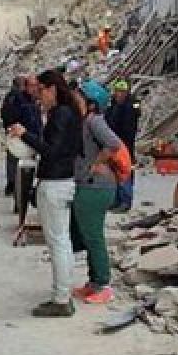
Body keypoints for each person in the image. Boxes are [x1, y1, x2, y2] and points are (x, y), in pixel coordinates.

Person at [8, 70, 82, 318]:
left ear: (52, 89)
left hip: (55, 182)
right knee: (62, 241)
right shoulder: (67, 113)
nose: (38, 96)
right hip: (62, 181)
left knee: (58, 242)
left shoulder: (61, 114)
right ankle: (63, 293)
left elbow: (51, 150)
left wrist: (24, 135)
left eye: (40, 90)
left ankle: (61, 298)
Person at [72, 81, 122, 305]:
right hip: (89, 185)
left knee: (94, 237)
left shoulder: (94, 121)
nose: (75, 100)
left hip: (96, 187)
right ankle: (93, 282)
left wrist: (97, 163)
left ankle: (104, 285)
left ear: (91, 104)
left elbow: (113, 143)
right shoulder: (85, 122)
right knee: (87, 235)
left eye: (79, 97)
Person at [106, 79, 139, 211]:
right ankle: (117, 199)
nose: (118, 94)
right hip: (115, 144)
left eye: (121, 92)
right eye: (117, 91)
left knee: (125, 171)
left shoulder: (129, 107)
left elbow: (128, 128)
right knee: (115, 172)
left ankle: (125, 201)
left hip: (125, 145)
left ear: (126, 92)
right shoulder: (114, 105)